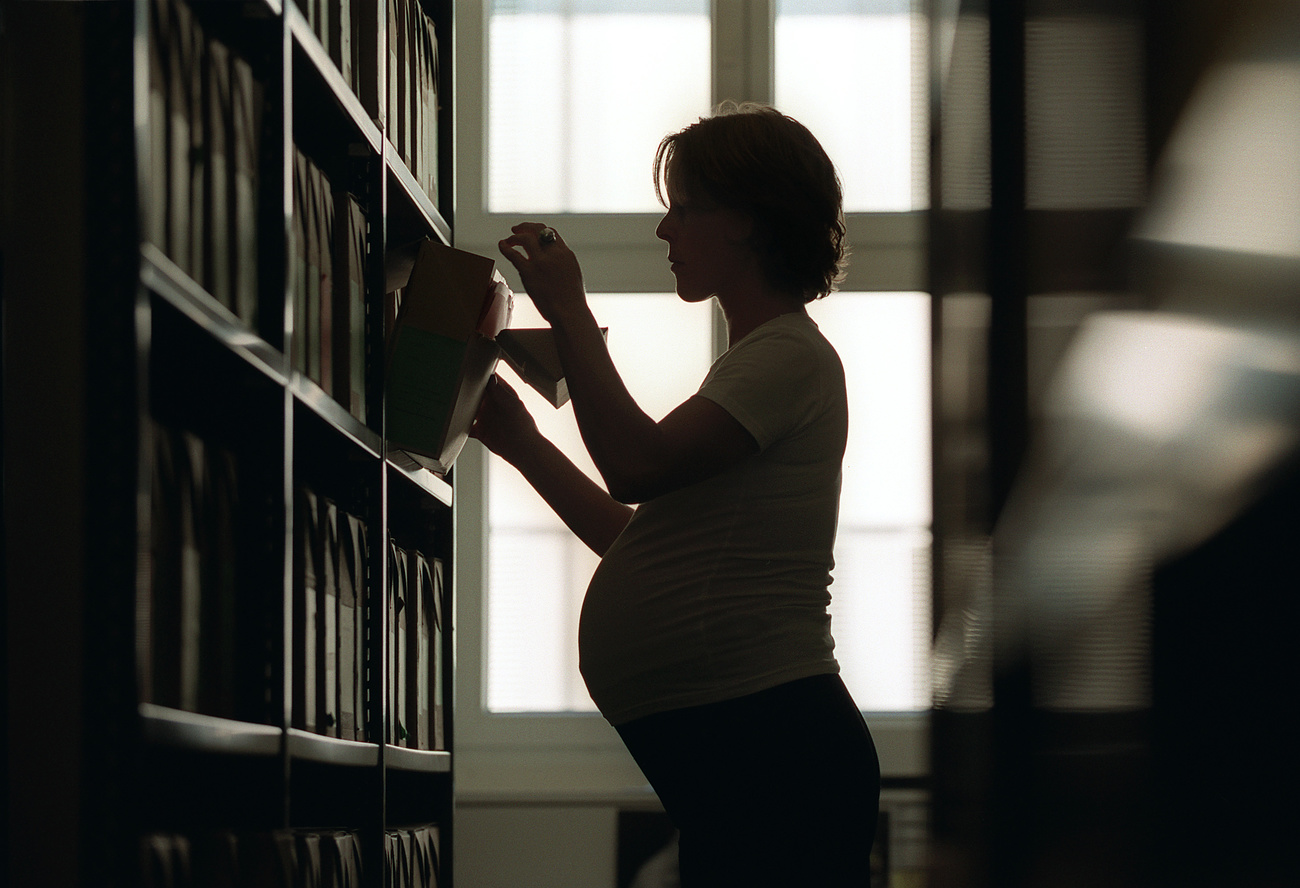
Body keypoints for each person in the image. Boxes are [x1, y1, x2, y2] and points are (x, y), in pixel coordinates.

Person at [472, 102, 881, 887]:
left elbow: (636, 462)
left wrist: (569, 310)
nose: (665, 232)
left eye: (684, 209)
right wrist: (524, 447)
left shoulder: (789, 356)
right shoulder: (757, 361)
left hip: (776, 746)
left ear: (750, 222)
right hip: (756, 746)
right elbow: (642, 537)